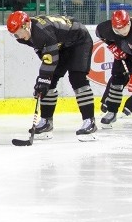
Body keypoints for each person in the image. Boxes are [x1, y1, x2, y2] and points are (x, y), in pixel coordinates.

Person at [7, 11, 97, 139]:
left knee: (77, 79)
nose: (17, 36)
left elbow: (50, 57)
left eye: (18, 32)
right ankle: (46, 122)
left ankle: (90, 121)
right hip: (61, 43)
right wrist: (43, 80)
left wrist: (43, 78)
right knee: (49, 81)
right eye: (14, 34)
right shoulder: (22, 37)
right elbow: (44, 54)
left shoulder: (42, 32)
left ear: (26, 25)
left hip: (79, 40)